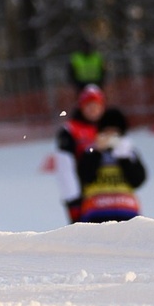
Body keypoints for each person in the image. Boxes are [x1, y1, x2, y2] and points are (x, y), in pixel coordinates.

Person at [75, 108, 145, 223]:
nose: (110, 137)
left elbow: (138, 180)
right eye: (106, 133)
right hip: (96, 212)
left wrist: (124, 159)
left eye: (114, 133)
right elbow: (85, 177)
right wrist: (97, 153)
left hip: (126, 211)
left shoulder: (129, 153)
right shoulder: (91, 152)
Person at [55, 84, 106, 223]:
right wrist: (73, 200)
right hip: (83, 196)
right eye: (89, 105)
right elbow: (65, 167)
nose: (93, 110)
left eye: (97, 105)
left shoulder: (106, 128)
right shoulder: (70, 130)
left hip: (107, 195)